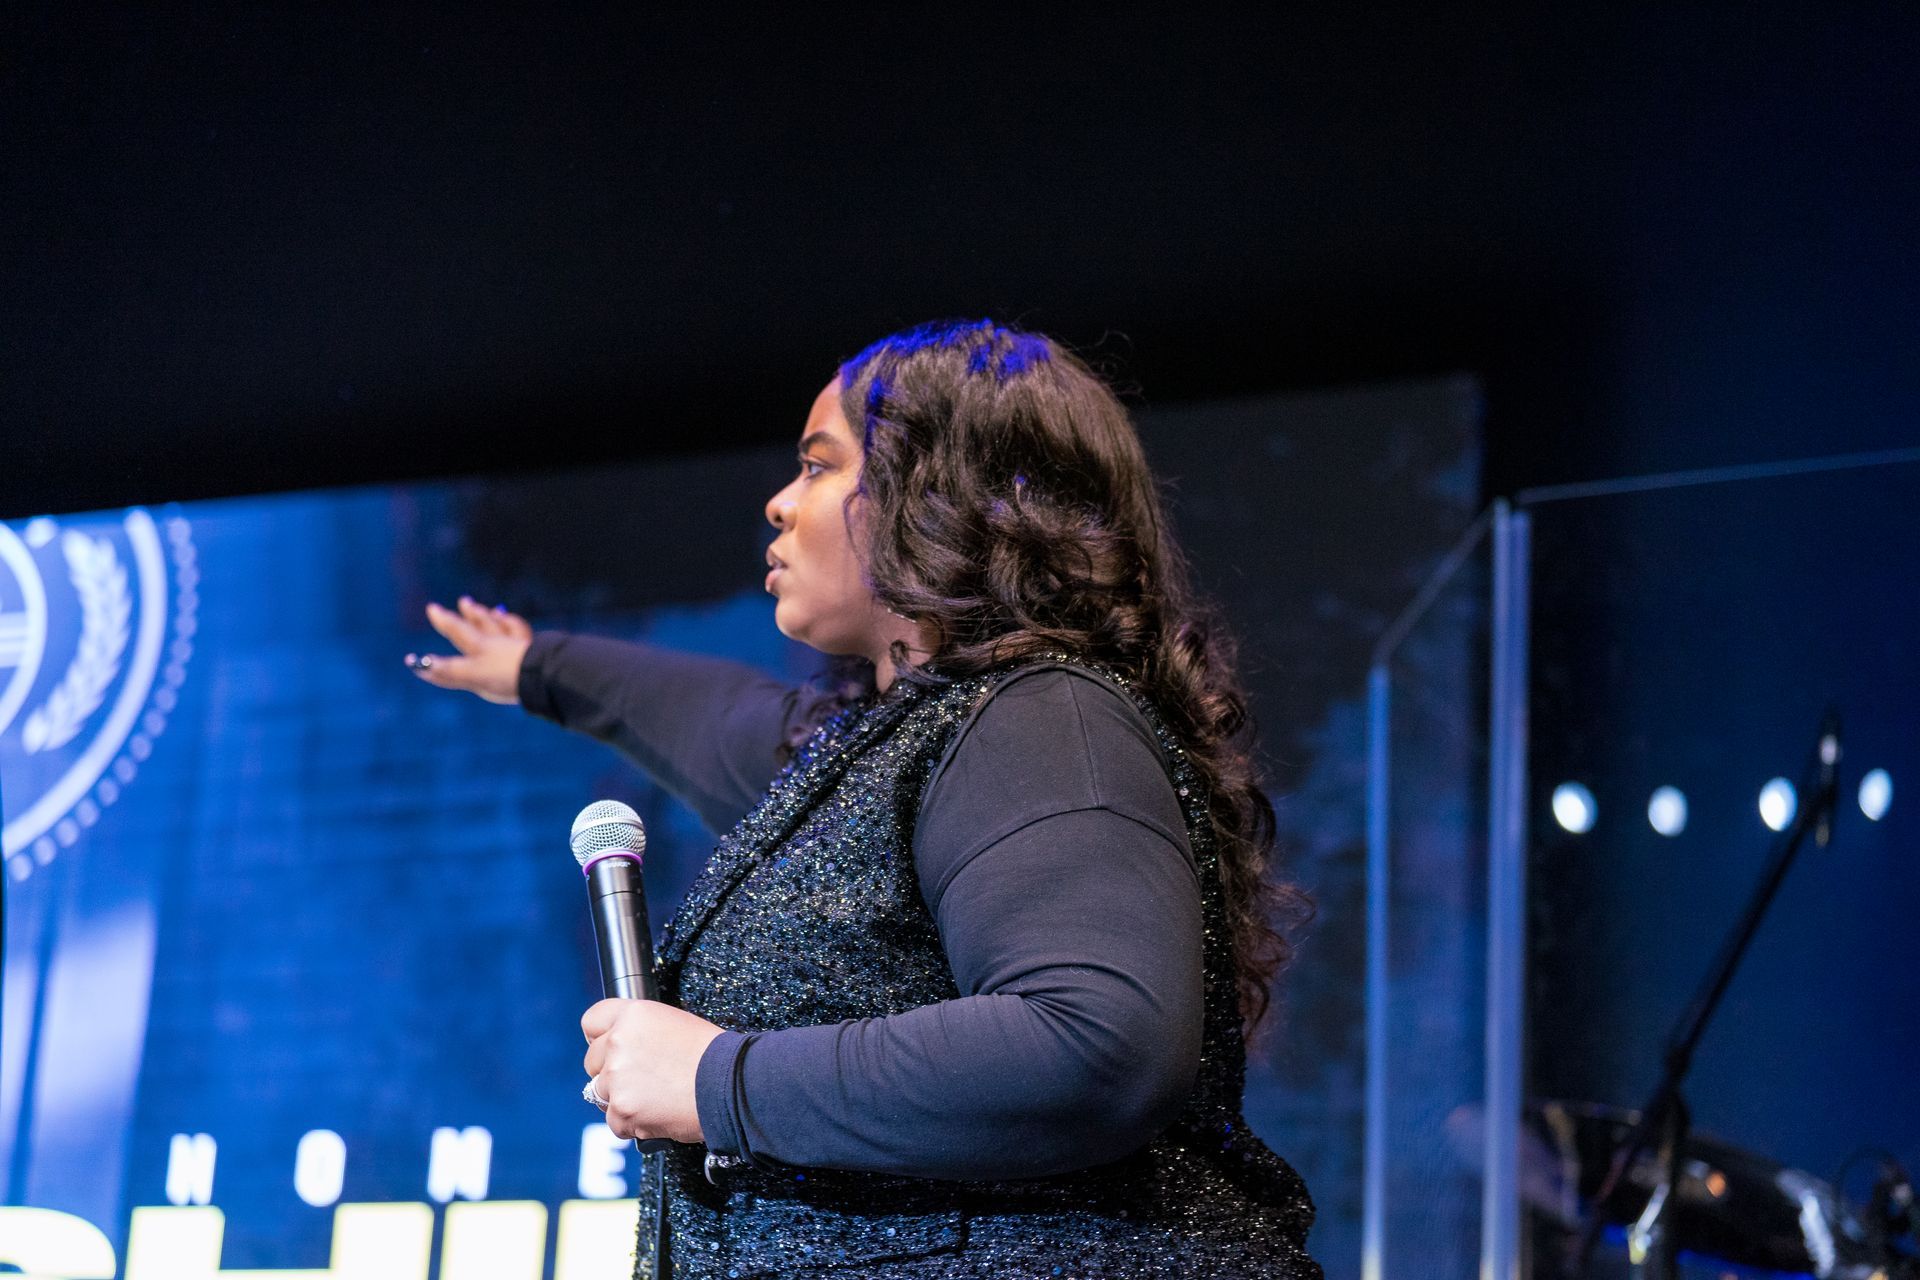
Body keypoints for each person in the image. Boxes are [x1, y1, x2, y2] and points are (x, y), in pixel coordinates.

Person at [407, 319, 1322, 1279]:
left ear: (939, 492)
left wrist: (718, 1079)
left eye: (817, 466)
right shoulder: (875, 753)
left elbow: (1093, 1041)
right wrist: (533, 666)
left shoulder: (1043, 717)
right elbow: (713, 718)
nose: (778, 502)